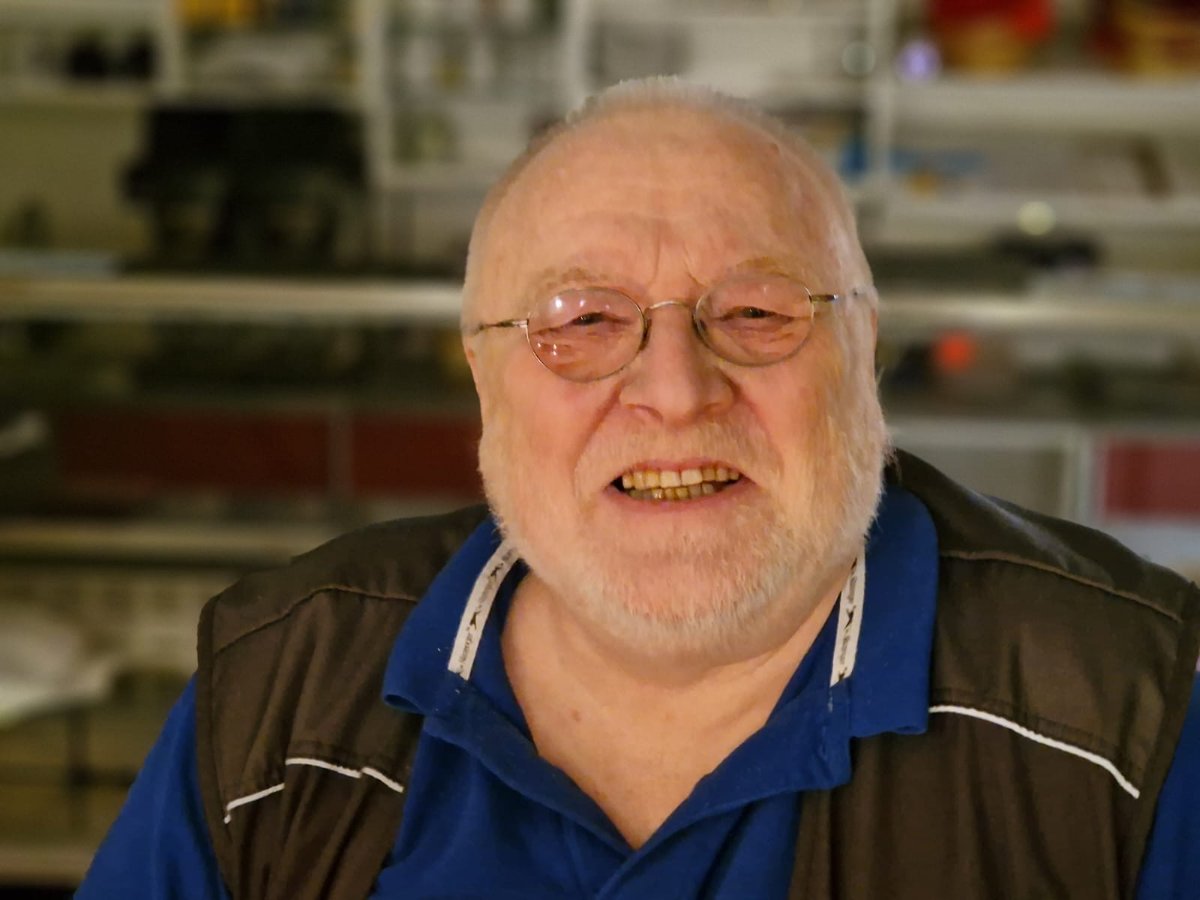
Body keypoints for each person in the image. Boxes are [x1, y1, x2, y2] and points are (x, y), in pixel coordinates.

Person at [78, 79, 1199, 899]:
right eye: (582, 322)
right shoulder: (281, 694)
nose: (673, 390)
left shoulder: (1136, 724)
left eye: (755, 312)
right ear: (484, 379)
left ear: (863, 353)